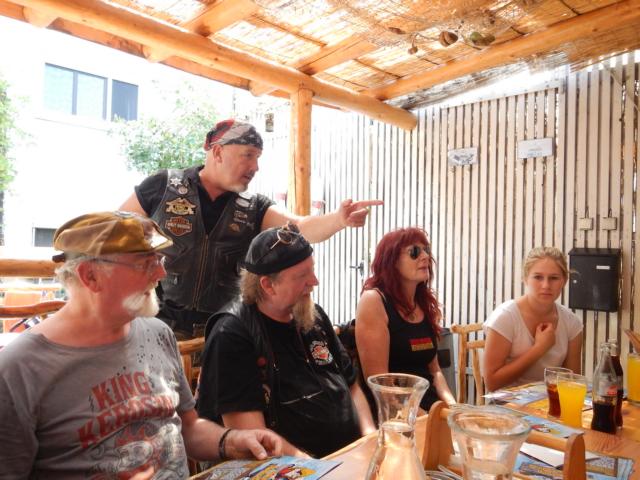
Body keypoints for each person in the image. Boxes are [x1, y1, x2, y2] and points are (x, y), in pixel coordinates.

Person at [0, 211, 282, 479]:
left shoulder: (158, 333)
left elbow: (188, 427)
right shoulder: (20, 368)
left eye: (159, 259)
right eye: (145, 263)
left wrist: (231, 440)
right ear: (90, 276)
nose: (161, 273)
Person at [120, 119, 382, 339]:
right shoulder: (164, 186)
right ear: (218, 152)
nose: (255, 167)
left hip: (222, 331)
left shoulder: (253, 207)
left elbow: (300, 227)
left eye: (257, 158)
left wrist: (338, 219)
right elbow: (116, 232)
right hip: (155, 326)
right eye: (248, 155)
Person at [197, 223, 375, 458]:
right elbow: (256, 440)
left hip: (351, 457)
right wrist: (317, 467)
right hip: (295, 468)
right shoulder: (232, 334)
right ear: (268, 285)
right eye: (302, 275)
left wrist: (369, 436)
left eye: (312, 269)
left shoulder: (313, 315)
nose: (315, 281)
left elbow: (351, 385)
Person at [355, 227, 456, 413]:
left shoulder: (423, 303)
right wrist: (424, 418)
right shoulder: (374, 300)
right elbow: (380, 384)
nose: (425, 256)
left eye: (426, 250)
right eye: (414, 252)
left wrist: (454, 408)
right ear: (392, 261)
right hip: (395, 413)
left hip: (431, 409)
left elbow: (435, 371)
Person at [482, 247, 583, 391]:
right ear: (525, 279)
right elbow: (491, 383)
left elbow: (571, 382)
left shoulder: (572, 323)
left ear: (564, 281)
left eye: (554, 278)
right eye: (538, 277)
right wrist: (539, 349)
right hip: (506, 403)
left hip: (552, 402)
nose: (546, 285)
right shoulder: (505, 317)